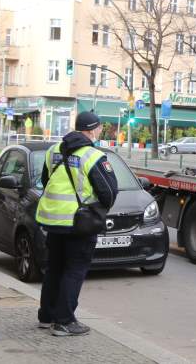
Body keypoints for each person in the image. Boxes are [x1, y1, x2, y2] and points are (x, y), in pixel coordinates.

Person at [35, 111, 118, 337]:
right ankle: (64, 322)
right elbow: (109, 192)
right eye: (100, 128)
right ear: (93, 129)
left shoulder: (53, 150)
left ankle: (46, 316)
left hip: (53, 220)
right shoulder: (92, 155)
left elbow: (45, 180)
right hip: (79, 222)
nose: (100, 131)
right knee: (74, 270)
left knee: (55, 268)